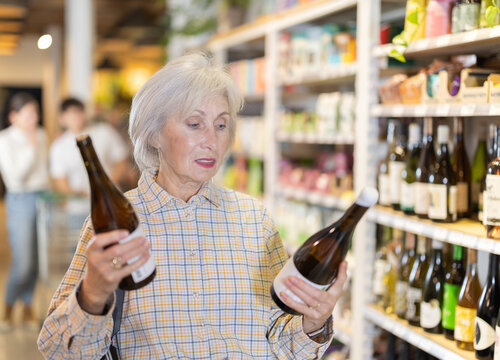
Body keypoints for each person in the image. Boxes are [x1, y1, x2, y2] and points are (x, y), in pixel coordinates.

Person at [38, 53, 347, 359]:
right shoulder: (120, 225)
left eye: (222, 125)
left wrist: (313, 321)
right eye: (195, 124)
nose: (212, 140)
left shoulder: (255, 220)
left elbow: (284, 342)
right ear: (154, 133)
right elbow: (59, 350)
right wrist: (93, 292)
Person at [0, 92, 49, 329]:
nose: (34, 118)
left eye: (35, 113)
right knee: (23, 260)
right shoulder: (3, 140)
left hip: (43, 198)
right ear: (13, 116)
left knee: (38, 259)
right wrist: (30, 147)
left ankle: (27, 308)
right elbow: (15, 178)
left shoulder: (42, 134)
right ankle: (7, 307)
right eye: (28, 114)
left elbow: (45, 170)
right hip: (20, 199)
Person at [49, 98, 129, 195]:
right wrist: (83, 194)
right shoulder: (59, 146)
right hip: (79, 203)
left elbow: (121, 161)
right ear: (62, 118)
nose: (76, 116)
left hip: (111, 194)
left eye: (79, 111)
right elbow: (60, 180)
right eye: (71, 113)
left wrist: (105, 185)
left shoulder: (104, 131)